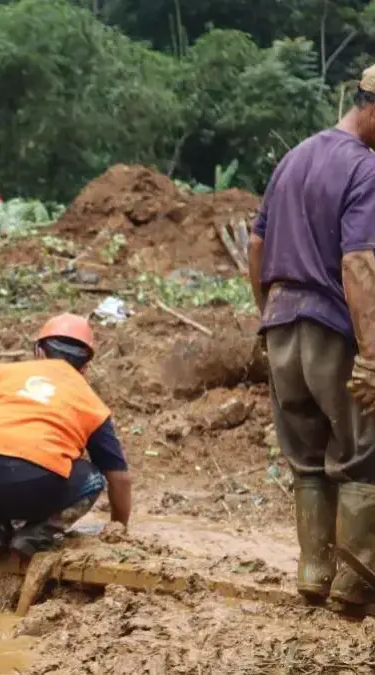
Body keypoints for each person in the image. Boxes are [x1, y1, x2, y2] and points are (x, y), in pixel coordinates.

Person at [256, 64, 375, 612]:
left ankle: (314, 571)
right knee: (362, 453)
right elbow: (358, 264)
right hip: (333, 328)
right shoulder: (364, 168)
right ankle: (356, 584)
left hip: (281, 324)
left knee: (306, 457)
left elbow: (256, 244)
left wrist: (266, 314)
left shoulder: (294, 158)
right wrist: (371, 354)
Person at [0, 314, 131, 556]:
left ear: (39, 352)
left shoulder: (6, 374)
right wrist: (119, 528)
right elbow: (119, 478)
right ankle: (36, 534)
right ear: (85, 366)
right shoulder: (91, 402)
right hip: (35, 489)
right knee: (94, 478)